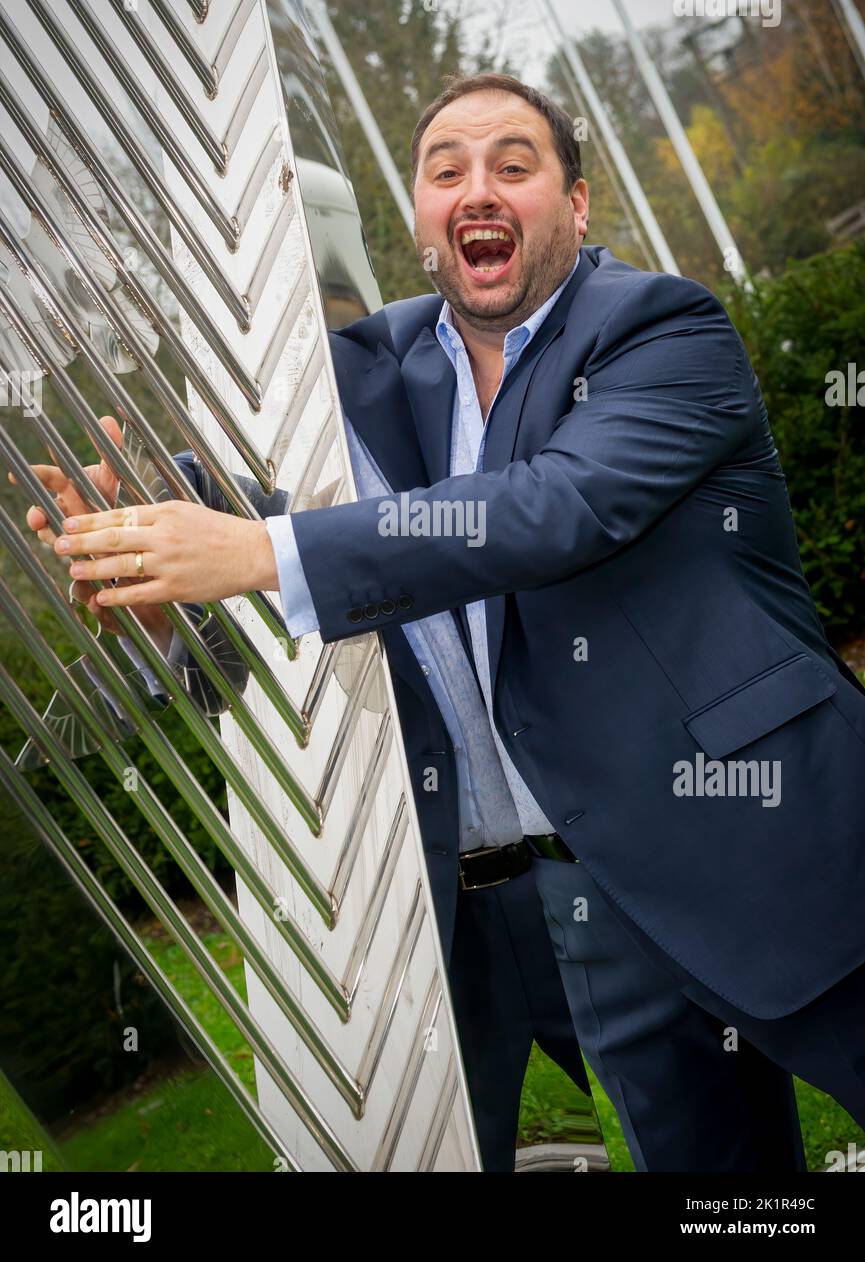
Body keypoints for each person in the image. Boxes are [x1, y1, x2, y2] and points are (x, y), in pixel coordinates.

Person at [23, 73, 865, 1172]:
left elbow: (550, 509)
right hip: (524, 901)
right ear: (417, 215)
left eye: (514, 165)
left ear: (577, 201)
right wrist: (156, 565)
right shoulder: (356, 382)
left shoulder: (657, 329)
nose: (478, 189)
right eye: (446, 170)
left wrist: (257, 551)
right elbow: (333, 584)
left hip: (738, 842)